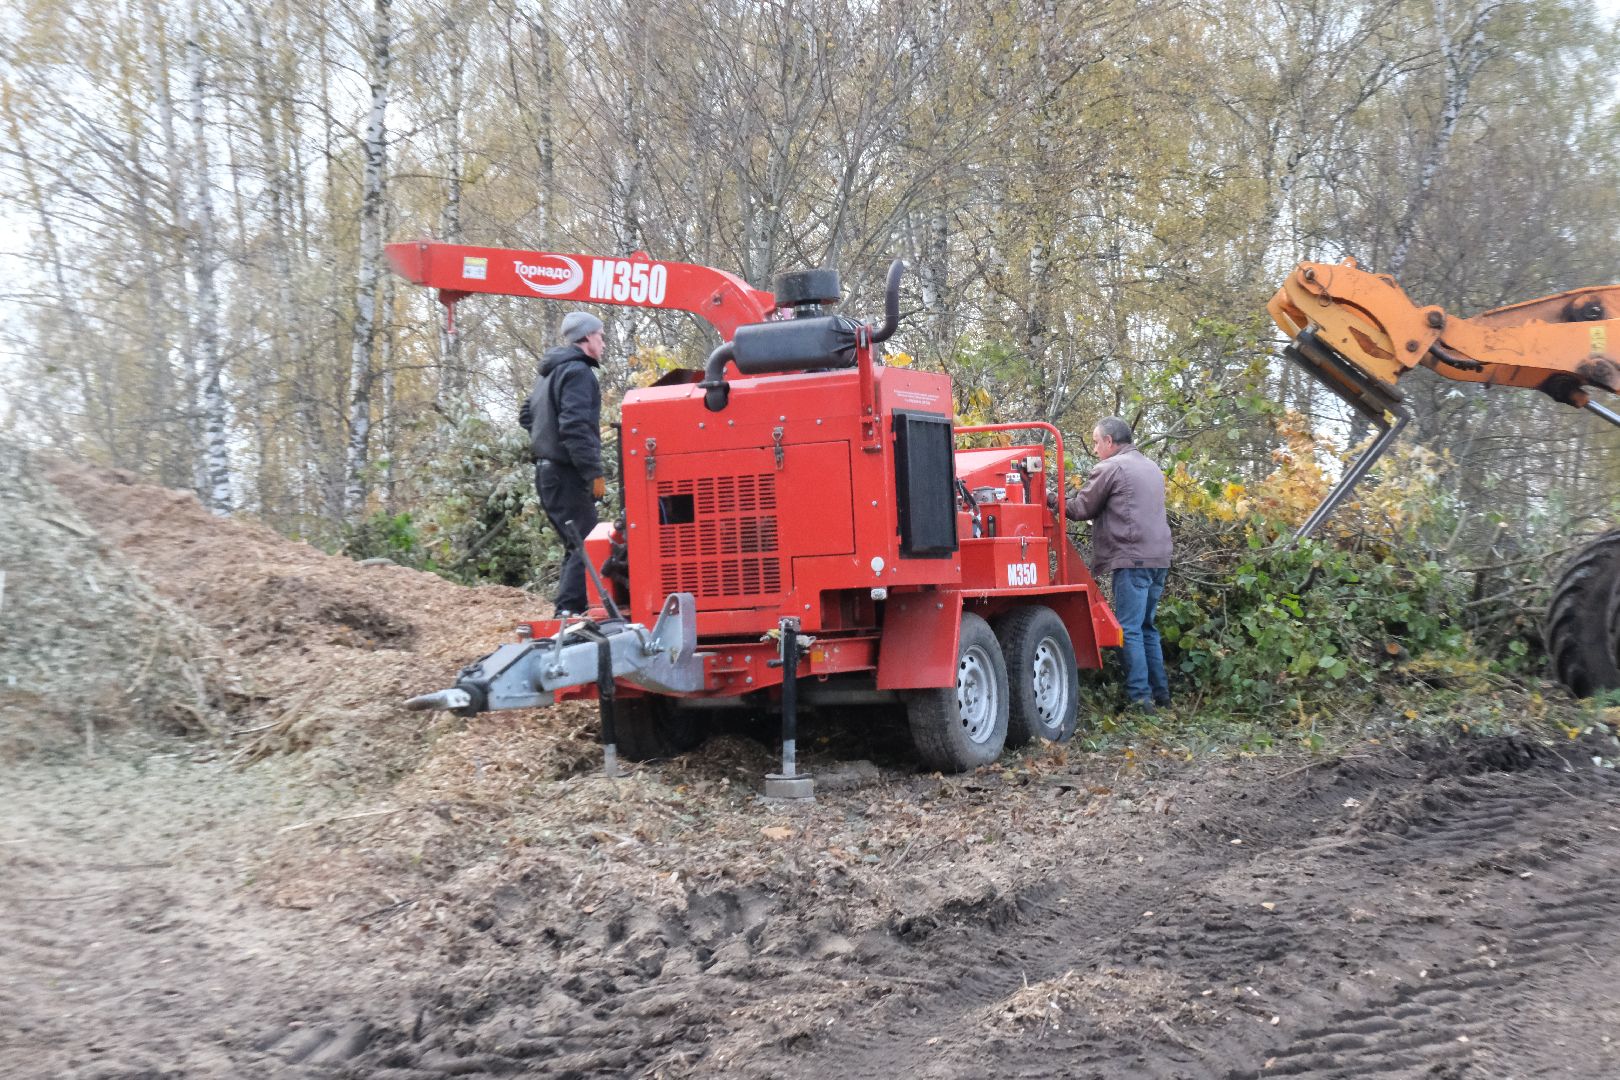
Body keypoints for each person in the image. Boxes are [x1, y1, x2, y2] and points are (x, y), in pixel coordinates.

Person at [1049, 417, 1174, 710]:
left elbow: (1081, 508)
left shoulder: (1111, 467)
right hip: (1159, 558)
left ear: (1109, 441)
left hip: (1132, 559)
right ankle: (1162, 697)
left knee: (1129, 629)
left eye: (1095, 442)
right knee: (1147, 627)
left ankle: (1139, 699)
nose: (1094, 449)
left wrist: (1050, 498)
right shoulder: (1151, 467)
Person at [520, 311, 607, 616]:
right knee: (586, 543)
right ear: (586, 338)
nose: (603, 342)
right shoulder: (577, 372)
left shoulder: (547, 374)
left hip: (547, 474)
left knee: (577, 543)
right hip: (565, 473)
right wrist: (593, 473)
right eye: (600, 335)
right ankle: (567, 615)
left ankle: (570, 611)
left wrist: (546, 442)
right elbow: (575, 427)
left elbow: (526, 416)